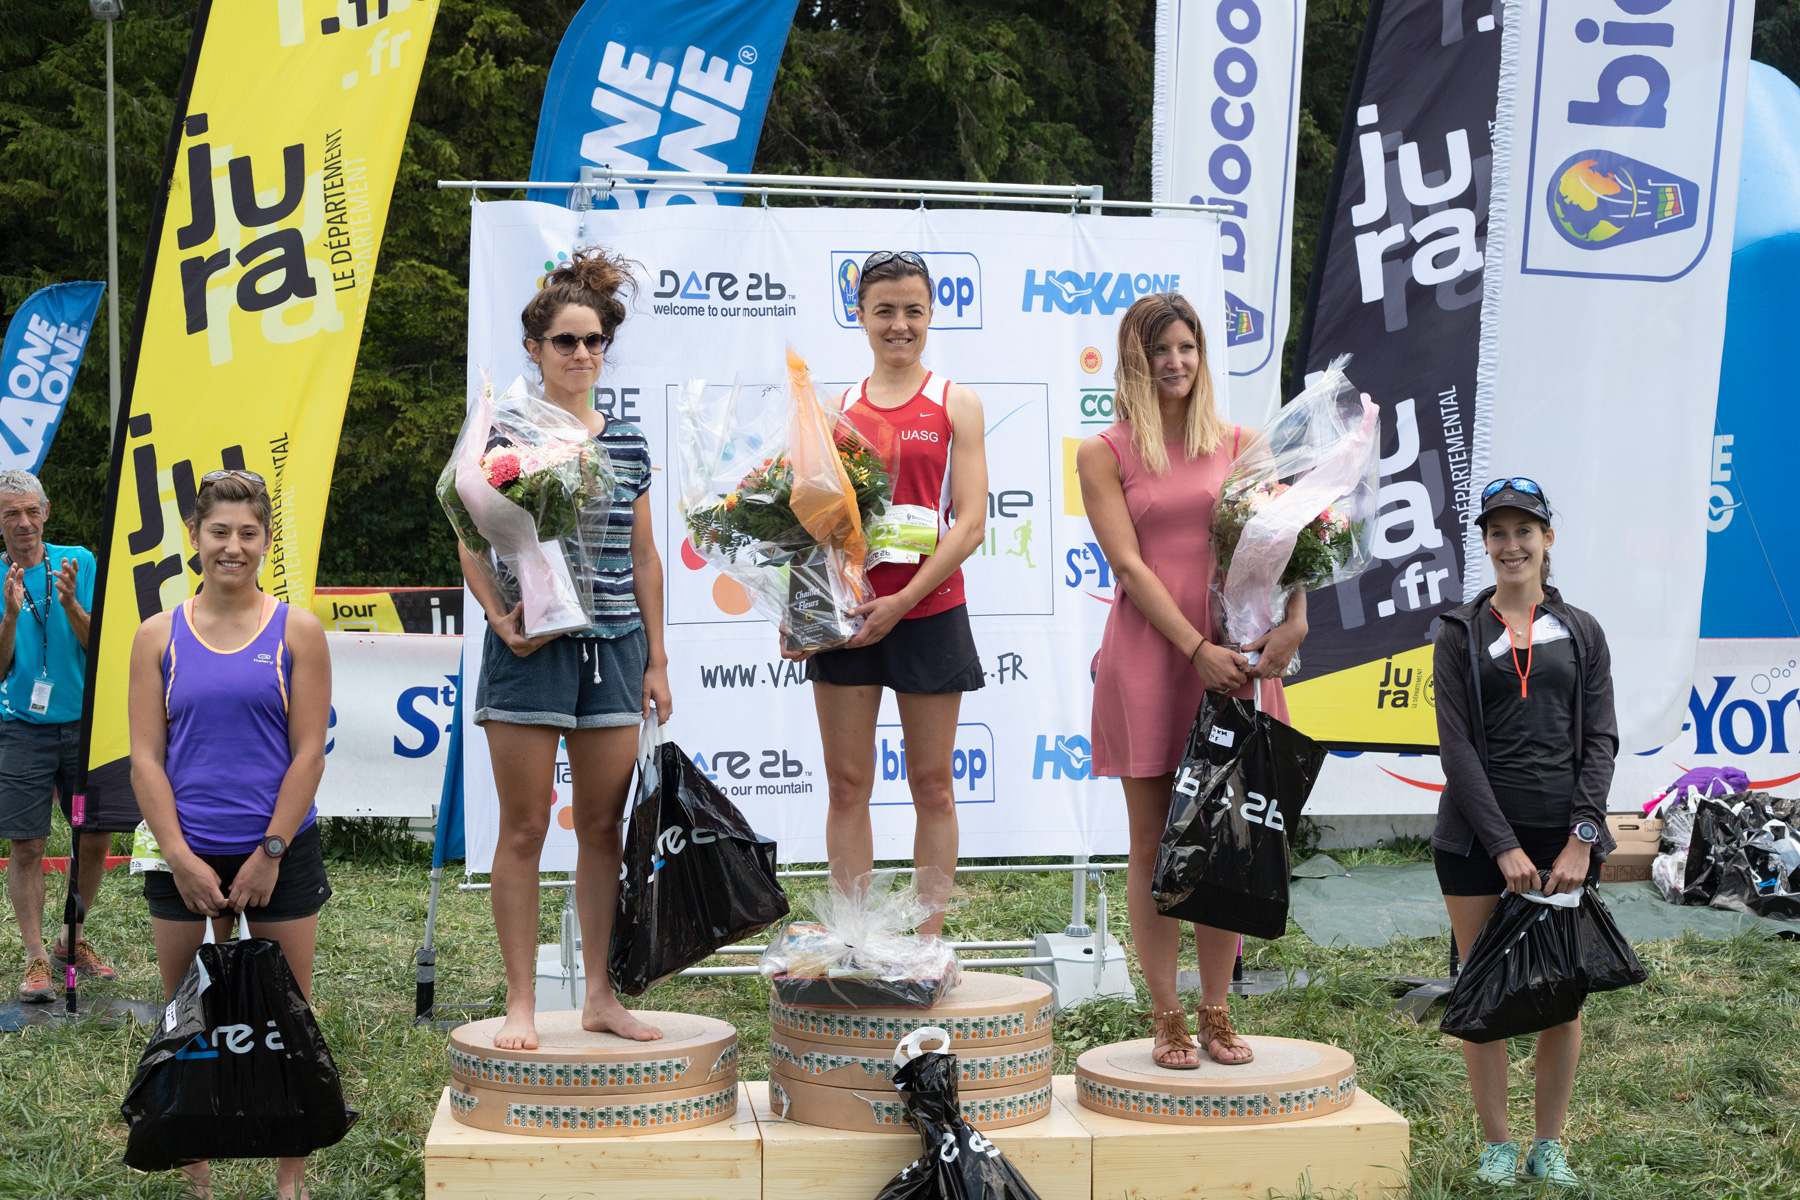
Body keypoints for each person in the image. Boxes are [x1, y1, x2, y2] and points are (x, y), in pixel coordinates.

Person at [1079, 294, 1306, 1069]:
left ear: (1203, 355)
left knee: (1229, 842)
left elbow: (1289, 548)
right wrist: (1191, 649)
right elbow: (1129, 564)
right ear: (1133, 363)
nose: (1175, 363)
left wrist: (1296, 620)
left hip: (1237, 661)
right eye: (1158, 352)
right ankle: (1167, 1013)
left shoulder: (1244, 443)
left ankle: (1217, 1009)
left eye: (1187, 348)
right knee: (1154, 847)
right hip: (1152, 659)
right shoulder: (1103, 453)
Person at [464, 249, 672, 1051]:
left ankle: (600, 996)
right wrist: (500, 619)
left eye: (592, 342)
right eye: (565, 342)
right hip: (532, 649)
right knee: (522, 830)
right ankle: (521, 1001)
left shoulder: (625, 442)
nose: (581, 355)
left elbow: (644, 558)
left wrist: (656, 660)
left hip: (615, 647)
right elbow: (469, 542)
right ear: (534, 349)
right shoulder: (505, 438)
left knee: (602, 830)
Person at [127, 472, 332, 1200]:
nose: (233, 547)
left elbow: (309, 752)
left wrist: (270, 853)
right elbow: (145, 758)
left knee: (286, 1018)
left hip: (278, 852)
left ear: (267, 542)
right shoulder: (158, 636)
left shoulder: (297, 631)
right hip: (184, 855)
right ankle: (197, 1175)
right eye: (219, 532)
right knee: (191, 1020)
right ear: (195, 537)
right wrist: (180, 859)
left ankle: (290, 1176)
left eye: (248, 533)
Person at [788, 250, 987, 935]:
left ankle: (926, 943)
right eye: (884, 311)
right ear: (860, 316)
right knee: (848, 786)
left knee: (932, 786)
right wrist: (802, 613)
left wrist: (902, 602)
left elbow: (969, 525)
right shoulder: (836, 409)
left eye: (912, 311)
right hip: (847, 618)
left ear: (931, 314)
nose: (899, 325)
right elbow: (814, 529)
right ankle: (853, 935)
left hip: (928, 612)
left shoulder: (955, 401)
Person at [1433, 478, 1617, 1188]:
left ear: (1547, 539)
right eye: (1498, 533)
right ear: (1485, 543)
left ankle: (1549, 1144)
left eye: (1524, 531)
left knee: (1559, 996)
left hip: (1562, 843)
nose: (1512, 546)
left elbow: (1600, 740)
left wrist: (1580, 838)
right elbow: (1457, 750)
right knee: (1484, 992)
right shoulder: (1458, 632)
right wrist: (1503, 846)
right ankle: (1497, 1144)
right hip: (1476, 844)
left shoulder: (1583, 630)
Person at [0, 469, 117, 1001]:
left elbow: (100, 647)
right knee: (27, 845)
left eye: (31, 511)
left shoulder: (80, 562)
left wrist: (70, 603)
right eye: (10, 513)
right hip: (21, 725)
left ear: (45, 512)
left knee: (93, 835)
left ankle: (72, 938)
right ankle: (35, 959)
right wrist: (8, 616)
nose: (23, 522)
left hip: (85, 723)